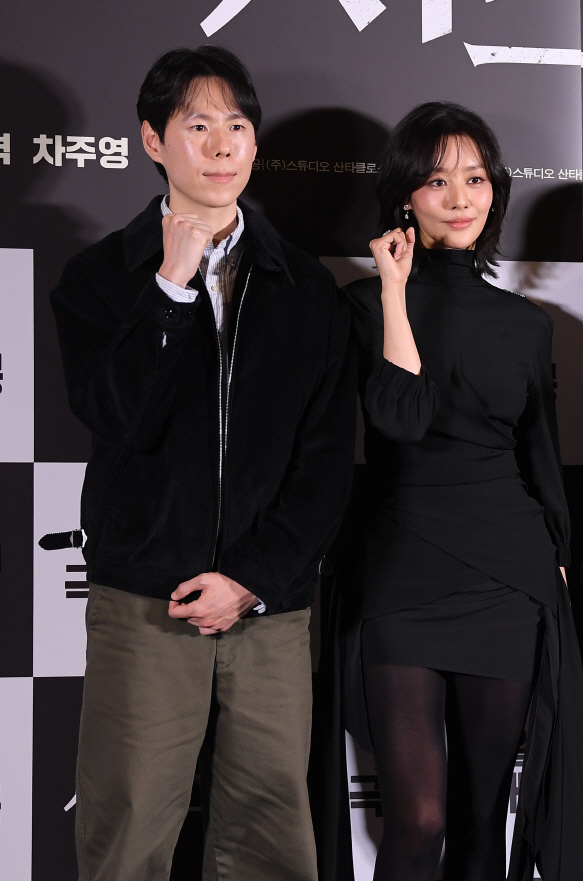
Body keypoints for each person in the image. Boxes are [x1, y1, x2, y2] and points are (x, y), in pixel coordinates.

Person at [49, 46, 356, 879]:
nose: (222, 146)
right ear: (153, 141)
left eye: (237, 126)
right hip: (146, 602)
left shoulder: (306, 289)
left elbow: (327, 462)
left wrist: (252, 577)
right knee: (128, 831)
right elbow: (114, 414)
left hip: (270, 610)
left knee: (270, 837)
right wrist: (169, 289)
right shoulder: (99, 277)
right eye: (198, 126)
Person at [338, 101, 583, 881]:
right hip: (402, 569)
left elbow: (539, 454)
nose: (459, 198)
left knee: (482, 819)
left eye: (475, 179)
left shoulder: (527, 324)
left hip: (507, 576)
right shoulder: (360, 307)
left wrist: (556, 558)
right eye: (438, 181)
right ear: (404, 197)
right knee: (419, 820)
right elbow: (400, 418)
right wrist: (392, 291)